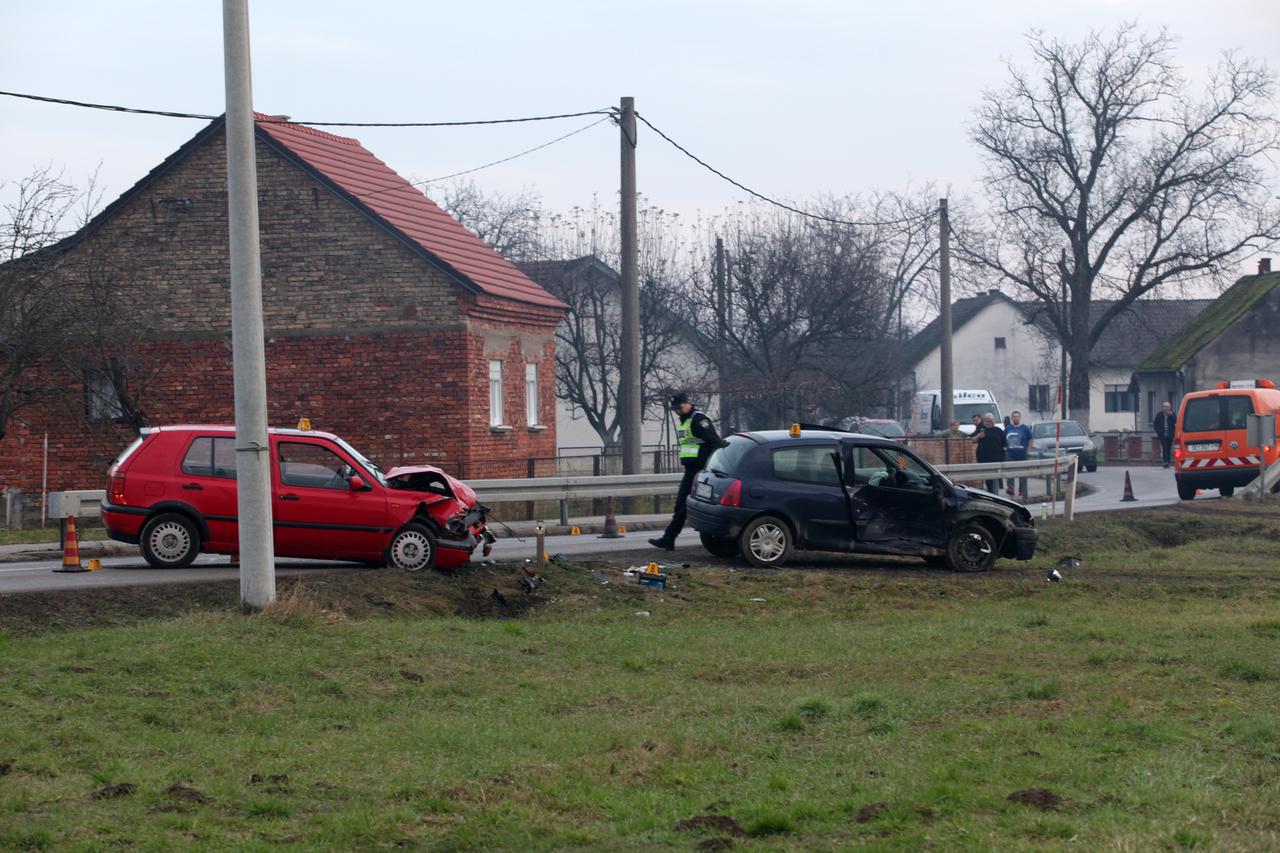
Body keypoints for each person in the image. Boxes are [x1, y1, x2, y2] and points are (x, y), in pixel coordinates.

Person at [649, 393, 723, 551]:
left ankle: (670, 538)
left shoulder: (698, 420)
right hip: (691, 471)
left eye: (680, 408)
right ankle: (669, 539)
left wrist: (704, 463)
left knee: (689, 506)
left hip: (699, 471)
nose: (678, 411)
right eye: (675, 409)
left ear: (688, 403)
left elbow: (716, 442)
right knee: (681, 506)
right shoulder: (686, 421)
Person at [1003, 410, 1033, 498]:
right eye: (1014, 416)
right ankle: (1011, 489)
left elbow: (1030, 439)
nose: (1015, 418)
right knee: (1010, 472)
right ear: (1012, 418)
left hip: (1022, 454)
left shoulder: (1025, 428)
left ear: (1020, 418)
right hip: (1010, 454)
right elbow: (1003, 438)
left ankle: (1022, 489)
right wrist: (1004, 448)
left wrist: (1028, 449)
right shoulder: (1008, 428)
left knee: (1023, 473)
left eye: (1017, 416)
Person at [974, 412, 1005, 493]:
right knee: (988, 479)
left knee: (996, 478)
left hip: (996, 458)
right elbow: (972, 440)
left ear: (993, 421)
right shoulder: (981, 430)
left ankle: (996, 494)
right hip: (984, 458)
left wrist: (1002, 456)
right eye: (986, 421)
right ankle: (991, 493)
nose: (987, 423)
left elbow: (1004, 444)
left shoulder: (998, 430)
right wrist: (979, 436)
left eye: (989, 421)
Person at [1153, 400, 1176, 468]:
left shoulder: (1172, 414)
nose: (1166, 408)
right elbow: (1155, 424)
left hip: (1170, 434)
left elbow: (1176, 420)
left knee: (1168, 448)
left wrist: (1171, 415)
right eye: (1165, 407)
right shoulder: (1159, 414)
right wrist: (1159, 432)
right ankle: (1165, 462)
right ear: (1163, 407)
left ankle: (1168, 461)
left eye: (1167, 406)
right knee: (1164, 447)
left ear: (1170, 407)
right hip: (1162, 435)